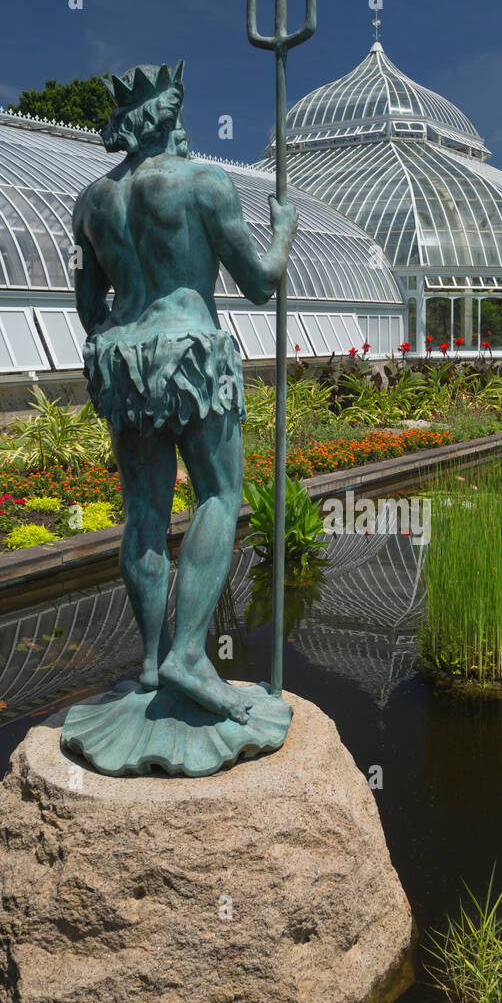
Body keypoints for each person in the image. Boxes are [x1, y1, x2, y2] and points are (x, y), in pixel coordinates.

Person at [73, 62, 296, 721]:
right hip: (192, 350)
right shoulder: (204, 182)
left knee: (143, 509)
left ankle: (149, 662)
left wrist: (118, 343)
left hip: (122, 356)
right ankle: (190, 656)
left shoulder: (93, 200)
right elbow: (258, 282)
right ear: (168, 117)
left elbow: (90, 300)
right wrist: (282, 230)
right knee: (220, 496)